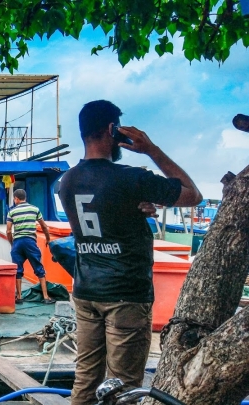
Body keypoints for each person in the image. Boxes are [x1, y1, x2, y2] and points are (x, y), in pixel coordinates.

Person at [59, 100, 202, 405]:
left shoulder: (66, 182)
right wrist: (151, 149)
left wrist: (140, 210)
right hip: (125, 294)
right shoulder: (130, 178)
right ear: (113, 129)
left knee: (85, 379)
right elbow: (193, 195)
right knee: (123, 389)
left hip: (85, 291)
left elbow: (107, 214)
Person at [6, 189, 55, 305]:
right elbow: (44, 226)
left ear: (16, 198)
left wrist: (12, 243)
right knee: (39, 268)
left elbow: (8, 231)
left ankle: (19, 297)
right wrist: (48, 239)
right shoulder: (35, 209)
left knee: (18, 270)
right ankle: (46, 297)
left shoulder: (11, 212)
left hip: (17, 242)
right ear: (25, 198)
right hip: (30, 242)